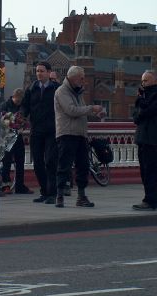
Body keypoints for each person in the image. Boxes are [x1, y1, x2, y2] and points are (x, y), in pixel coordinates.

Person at [54, 65, 103, 208]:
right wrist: (91, 108)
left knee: (83, 165)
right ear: (73, 77)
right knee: (64, 165)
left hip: (80, 134)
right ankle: (59, 195)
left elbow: (81, 110)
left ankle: (81, 196)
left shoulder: (78, 92)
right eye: (81, 78)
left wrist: (95, 113)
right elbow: (71, 110)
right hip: (67, 133)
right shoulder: (62, 91)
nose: (84, 80)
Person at [23, 62, 59, 204]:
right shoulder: (31, 89)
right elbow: (25, 107)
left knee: (50, 161)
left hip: (52, 130)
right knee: (37, 162)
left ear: (49, 72)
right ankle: (44, 192)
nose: (39, 73)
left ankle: (52, 193)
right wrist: (19, 119)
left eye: (42, 71)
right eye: (37, 71)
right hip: (36, 130)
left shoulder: (56, 89)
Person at [0, 88, 34, 195]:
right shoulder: (5, 105)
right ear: (13, 96)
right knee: (6, 162)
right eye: (17, 101)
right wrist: (11, 122)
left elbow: (24, 118)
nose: (19, 103)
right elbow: (2, 121)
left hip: (18, 136)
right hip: (7, 137)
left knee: (20, 162)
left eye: (20, 101)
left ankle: (20, 186)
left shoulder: (22, 106)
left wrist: (23, 124)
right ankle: (5, 185)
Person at [132, 70, 157, 211]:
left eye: (146, 80)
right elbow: (136, 117)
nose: (143, 83)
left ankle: (150, 200)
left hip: (152, 139)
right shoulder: (143, 97)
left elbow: (148, 111)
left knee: (151, 171)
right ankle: (150, 198)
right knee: (144, 171)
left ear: (155, 81)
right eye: (142, 81)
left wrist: (141, 102)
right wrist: (141, 104)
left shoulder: (151, 96)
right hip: (142, 138)